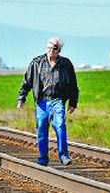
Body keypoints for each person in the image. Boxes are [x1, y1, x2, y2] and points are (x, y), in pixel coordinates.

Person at [17, 37, 78, 166]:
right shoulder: (37, 62)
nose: (51, 50)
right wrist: (21, 98)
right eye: (49, 47)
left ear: (59, 50)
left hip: (57, 100)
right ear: (46, 48)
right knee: (41, 130)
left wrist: (73, 102)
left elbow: (73, 84)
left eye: (54, 48)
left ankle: (63, 155)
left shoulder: (66, 64)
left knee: (60, 125)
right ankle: (43, 158)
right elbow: (26, 81)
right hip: (41, 102)